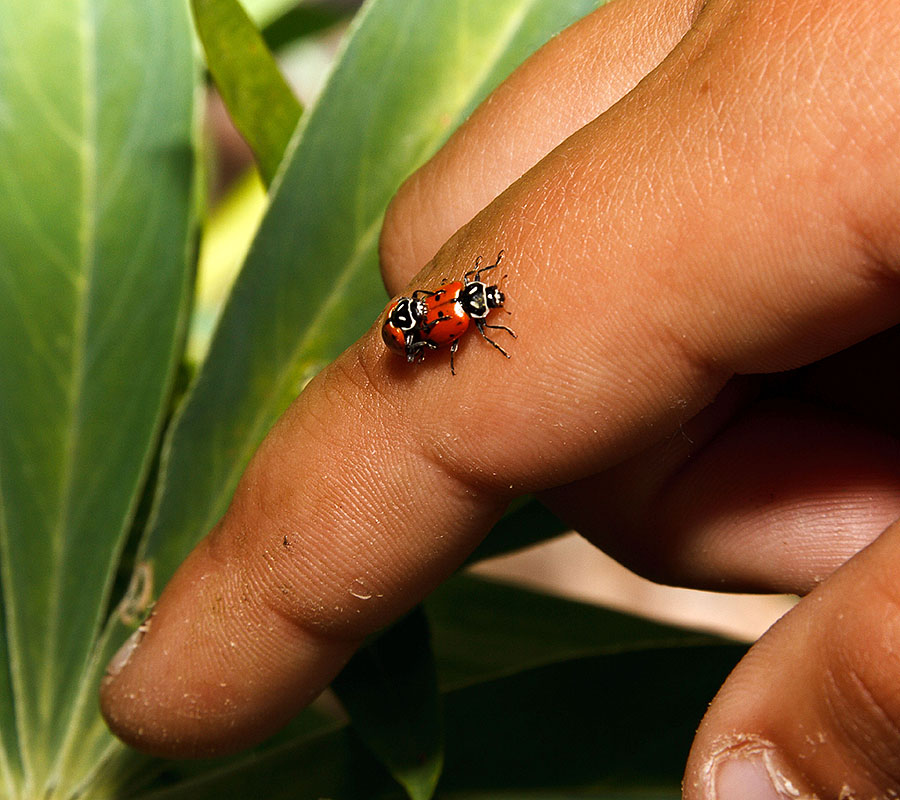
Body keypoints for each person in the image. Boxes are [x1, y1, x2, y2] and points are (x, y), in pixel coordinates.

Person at [100, 0, 900, 795]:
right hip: (419, 335)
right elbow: (442, 318)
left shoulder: (457, 308)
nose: (479, 308)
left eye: (473, 306)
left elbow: (442, 312)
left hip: (419, 333)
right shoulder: (461, 314)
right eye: (477, 306)